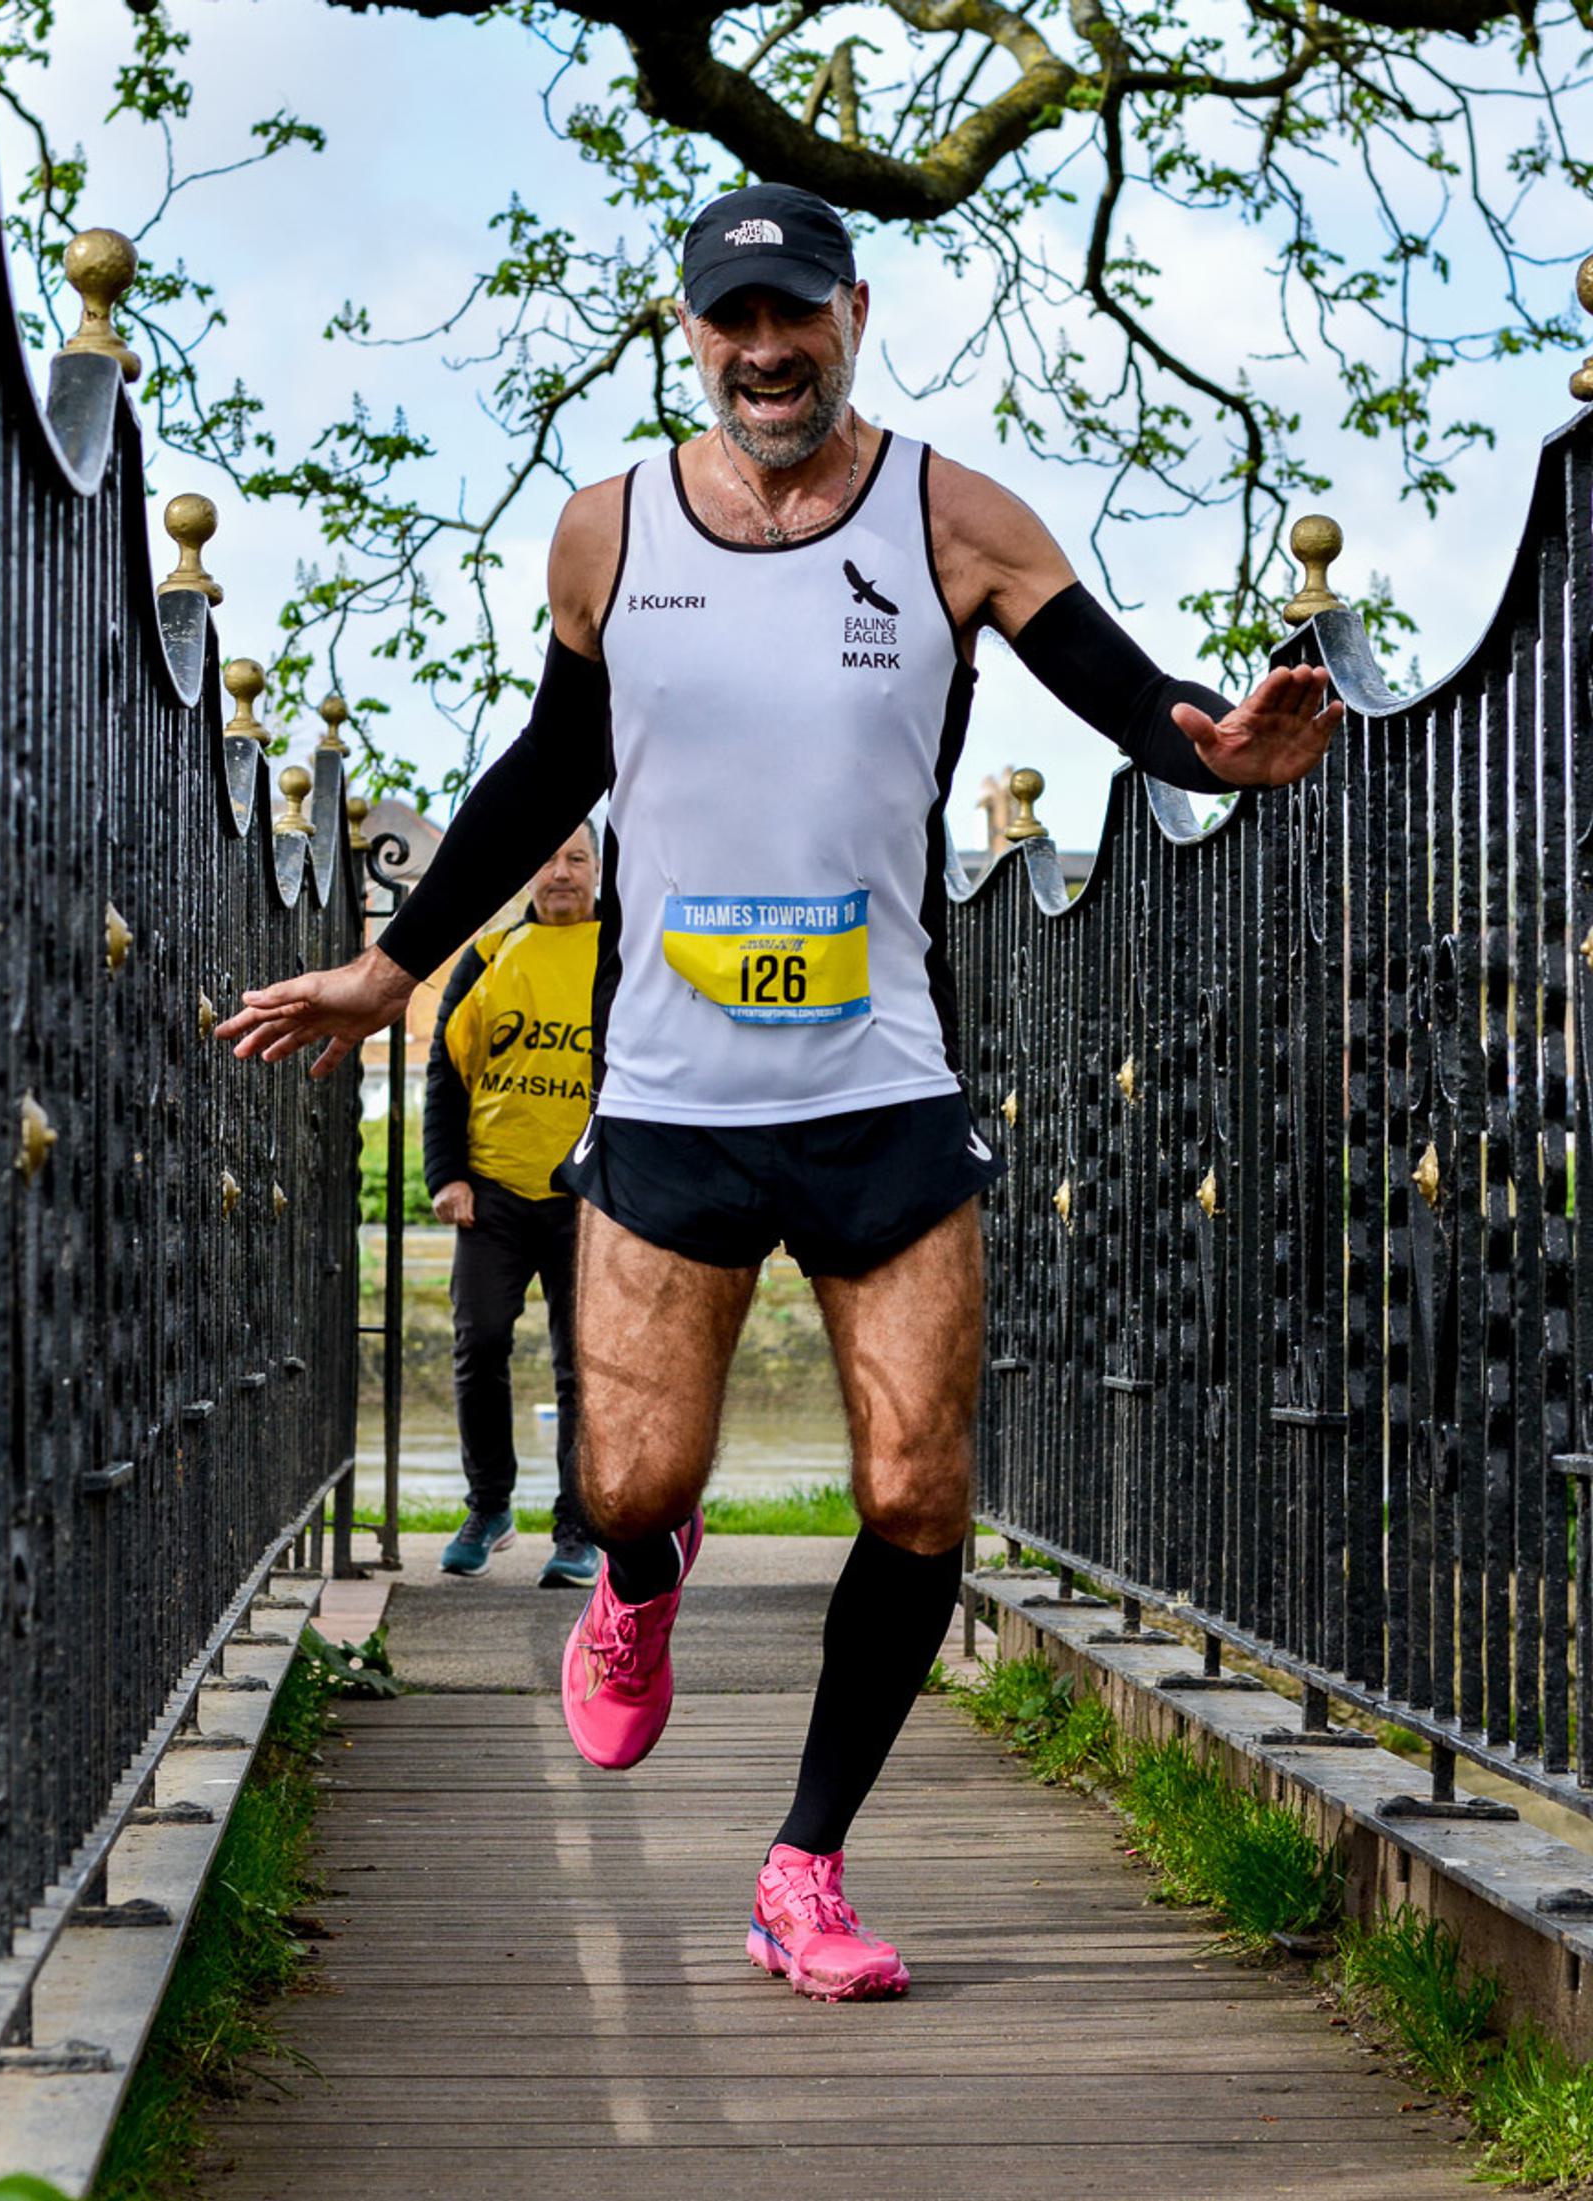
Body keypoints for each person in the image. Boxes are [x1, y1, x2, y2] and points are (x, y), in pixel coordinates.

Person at [219, 182, 1341, 2003]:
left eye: (793, 318)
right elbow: (549, 763)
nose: (764, 354)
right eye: (731, 323)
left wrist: (1219, 736)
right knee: (631, 1475)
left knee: (916, 1489)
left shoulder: (952, 517)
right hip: (666, 1096)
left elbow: (1133, 699)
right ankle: (638, 1583)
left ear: (853, 314)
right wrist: (394, 962)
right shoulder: (607, 532)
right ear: (693, 334)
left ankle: (804, 1864)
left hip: (886, 1084)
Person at [424, 823, 601, 1588]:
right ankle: (489, 1507)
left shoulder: (625, 959)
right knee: (480, 1343)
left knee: (583, 1369)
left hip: (591, 1196)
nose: (560, 871)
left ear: (598, 869)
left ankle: (579, 1531)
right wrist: (447, 1175)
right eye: (547, 856)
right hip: (492, 1191)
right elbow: (445, 1072)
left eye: (576, 857)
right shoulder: (488, 958)